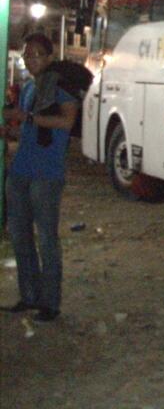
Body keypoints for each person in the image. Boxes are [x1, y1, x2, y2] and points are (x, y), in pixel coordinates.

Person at [1, 33, 80, 322]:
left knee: (46, 238)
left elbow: (66, 121)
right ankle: (29, 295)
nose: (30, 59)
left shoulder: (60, 88)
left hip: (47, 173)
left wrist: (26, 118)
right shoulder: (29, 89)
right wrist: (11, 131)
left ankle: (50, 302)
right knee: (20, 236)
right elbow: (28, 130)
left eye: (35, 54)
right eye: (26, 55)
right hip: (22, 169)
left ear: (48, 57)